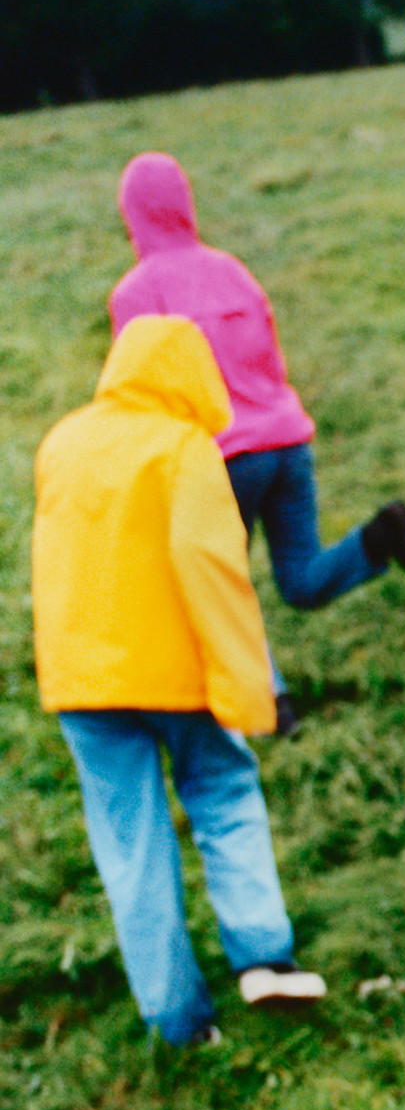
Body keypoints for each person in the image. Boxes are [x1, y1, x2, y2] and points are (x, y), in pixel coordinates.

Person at [32, 316, 327, 1045]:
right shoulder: (183, 449)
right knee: (224, 793)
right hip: (176, 674)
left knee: (128, 844)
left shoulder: (62, 443)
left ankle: (177, 1023)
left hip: (82, 684)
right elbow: (214, 573)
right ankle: (264, 958)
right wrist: (253, 688)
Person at [110, 153, 405, 731]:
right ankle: (382, 536)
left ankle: (272, 700)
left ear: (131, 216)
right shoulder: (232, 270)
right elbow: (269, 351)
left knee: (219, 584)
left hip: (220, 457)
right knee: (301, 579)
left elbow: (141, 392)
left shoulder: (135, 293)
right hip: (287, 439)